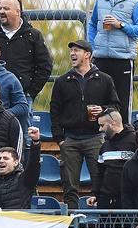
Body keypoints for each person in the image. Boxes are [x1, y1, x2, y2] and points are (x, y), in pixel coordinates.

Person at [49, 39, 119, 210]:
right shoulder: (62, 81)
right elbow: (55, 111)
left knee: (101, 184)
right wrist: (60, 139)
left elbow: (116, 106)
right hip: (70, 139)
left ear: (87, 54)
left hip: (96, 138)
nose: (72, 53)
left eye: (77, 50)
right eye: (71, 50)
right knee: (69, 186)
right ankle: (72, 227)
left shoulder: (105, 79)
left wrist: (102, 109)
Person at [87, 0, 138, 108]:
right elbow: (92, 24)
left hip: (123, 59)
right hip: (100, 59)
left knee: (122, 102)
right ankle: (98, 131)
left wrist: (120, 25)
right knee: (97, 102)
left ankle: (124, 131)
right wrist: (92, 47)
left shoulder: (136, 1)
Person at [0, 0, 52, 105]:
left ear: (17, 12)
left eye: (6, 9)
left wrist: (30, 93)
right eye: (0, 9)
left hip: (22, 98)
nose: (1, 12)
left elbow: (45, 66)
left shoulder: (33, 35)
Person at [0, 144, 42, 210]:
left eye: (6, 158)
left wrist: (35, 143)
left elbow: (34, 164)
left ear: (16, 162)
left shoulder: (23, 180)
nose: (1, 161)